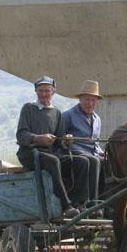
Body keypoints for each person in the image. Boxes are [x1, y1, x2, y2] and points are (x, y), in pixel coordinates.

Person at [15, 76, 78, 218]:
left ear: (53, 91)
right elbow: (21, 135)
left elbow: (59, 141)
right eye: (40, 91)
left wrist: (66, 140)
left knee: (84, 162)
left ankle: (82, 202)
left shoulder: (56, 112)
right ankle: (66, 205)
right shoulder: (28, 108)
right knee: (53, 161)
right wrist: (38, 138)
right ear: (36, 92)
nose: (44, 94)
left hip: (49, 154)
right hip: (29, 153)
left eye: (47, 91)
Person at [62, 80, 105, 213]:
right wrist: (66, 140)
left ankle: (107, 202)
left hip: (92, 153)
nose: (90, 103)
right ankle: (87, 202)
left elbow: (95, 143)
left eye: (93, 100)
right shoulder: (68, 115)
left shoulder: (97, 119)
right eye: (87, 99)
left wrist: (103, 152)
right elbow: (60, 139)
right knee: (93, 161)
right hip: (73, 152)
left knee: (108, 162)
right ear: (80, 99)